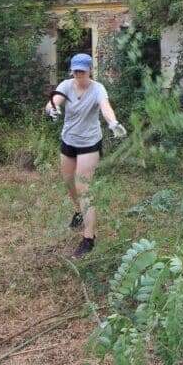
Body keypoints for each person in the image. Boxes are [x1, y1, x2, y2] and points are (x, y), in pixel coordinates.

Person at [46, 53, 127, 258]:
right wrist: (52, 109)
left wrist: (112, 122)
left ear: (90, 70)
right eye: (76, 70)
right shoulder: (66, 85)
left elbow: (105, 106)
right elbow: (53, 100)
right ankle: (79, 212)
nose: (79, 74)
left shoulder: (97, 88)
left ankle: (89, 239)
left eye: (82, 70)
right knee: (69, 182)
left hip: (89, 143)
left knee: (84, 187)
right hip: (69, 140)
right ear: (72, 70)